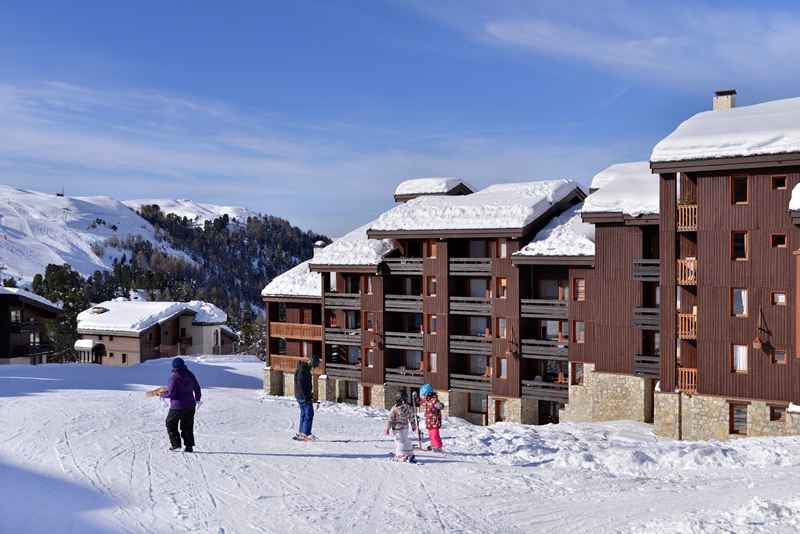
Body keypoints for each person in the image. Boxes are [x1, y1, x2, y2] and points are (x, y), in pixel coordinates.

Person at [161, 357, 202, 452]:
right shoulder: (190, 374)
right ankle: (189, 446)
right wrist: (197, 399)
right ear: (183, 365)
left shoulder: (174, 377)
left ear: (173, 367)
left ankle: (176, 444)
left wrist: (162, 394)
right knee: (187, 426)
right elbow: (197, 388)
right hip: (190, 406)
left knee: (170, 423)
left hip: (177, 407)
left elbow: (171, 393)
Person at [385, 391, 417, 462]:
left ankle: (400, 455)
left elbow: (390, 419)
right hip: (404, 427)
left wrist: (387, 428)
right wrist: (413, 425)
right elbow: (411, 417)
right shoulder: (408, 407)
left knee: (399, 441)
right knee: (405, 440)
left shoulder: (395, 408)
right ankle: (409, 453)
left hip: (397, 428)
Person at [294, 358, 316, 441]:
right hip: (303, 396)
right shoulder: (303, 371)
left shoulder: (302, 369)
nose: (313, 368)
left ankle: (301, 432)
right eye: (314, 366)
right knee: (309, 414)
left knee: (304, 414)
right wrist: (307, 396)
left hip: (300, 395)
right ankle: (305, 433)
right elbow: (301, 384)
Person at [418, 384, 444, 452]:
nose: (423, 397)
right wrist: (417, 400)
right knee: (431, 435)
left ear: (427, 394)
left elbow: (437, 404)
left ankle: (438, 447)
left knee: (435, 435)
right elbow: (423, 403)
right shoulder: (427, 401)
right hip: (429, 422)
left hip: (435, 421)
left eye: (423, 395)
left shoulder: (434, 400)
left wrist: (439, 405)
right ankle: (433, 445)